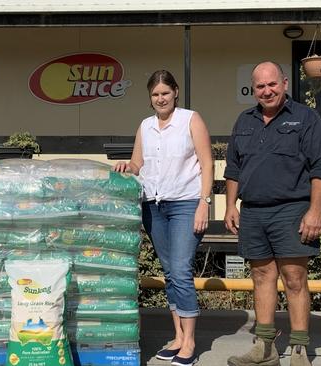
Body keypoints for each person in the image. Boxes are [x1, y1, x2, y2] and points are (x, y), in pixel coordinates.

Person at [224, 61, 321, 366]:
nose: (267, 91)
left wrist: (315, 211)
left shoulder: (306, 119)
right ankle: (264, 347)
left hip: (292, 209)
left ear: (284, 83)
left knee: (295, 278)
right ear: (254, 89)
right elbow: (233, 168)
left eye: (272, 84)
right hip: (254, 212)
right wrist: (230, 205)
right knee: (261, 276)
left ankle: (299, 350)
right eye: (260, 86)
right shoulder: (244, 121)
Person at [113, 70, 213, 366]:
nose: (160, 99)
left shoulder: (191, 119)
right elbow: (137, 163)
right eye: (155, 95)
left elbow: (207, 164)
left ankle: (191, 341)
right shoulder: (145, 126)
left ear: (175, 92)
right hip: (153, 206)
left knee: (181, 270)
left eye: (165, 93)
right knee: (169, 271)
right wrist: (126, 167)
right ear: (150, 98)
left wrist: (204, 203)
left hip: (185, 204)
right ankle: (178, 336)